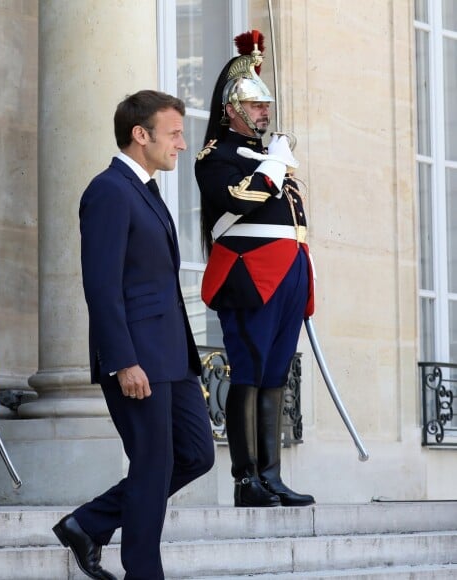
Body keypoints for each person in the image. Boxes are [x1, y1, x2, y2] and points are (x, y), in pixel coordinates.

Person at [52, 90, 215, 580]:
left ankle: (89, 522)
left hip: (172, 356)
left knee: (196, 454)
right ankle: (143, 572)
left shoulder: (145, 190)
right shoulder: (108, 190)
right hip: (138, 358)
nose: (182, 144)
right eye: (174, 133)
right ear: (140, 135)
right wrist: (123, 360)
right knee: (151, 465)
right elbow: (101, 286)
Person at [195, 30, 315, 509]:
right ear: (232, 108)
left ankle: (271, 475)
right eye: (255, 104)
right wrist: (273, 169)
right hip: (249, 276)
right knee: (248, 372)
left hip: (285, 276)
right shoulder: (217, 157)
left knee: (275, 375)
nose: (265, 112)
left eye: (266, 105)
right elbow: (236, 199)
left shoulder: (267, 157)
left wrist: (274, 163)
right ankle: (247, 481)